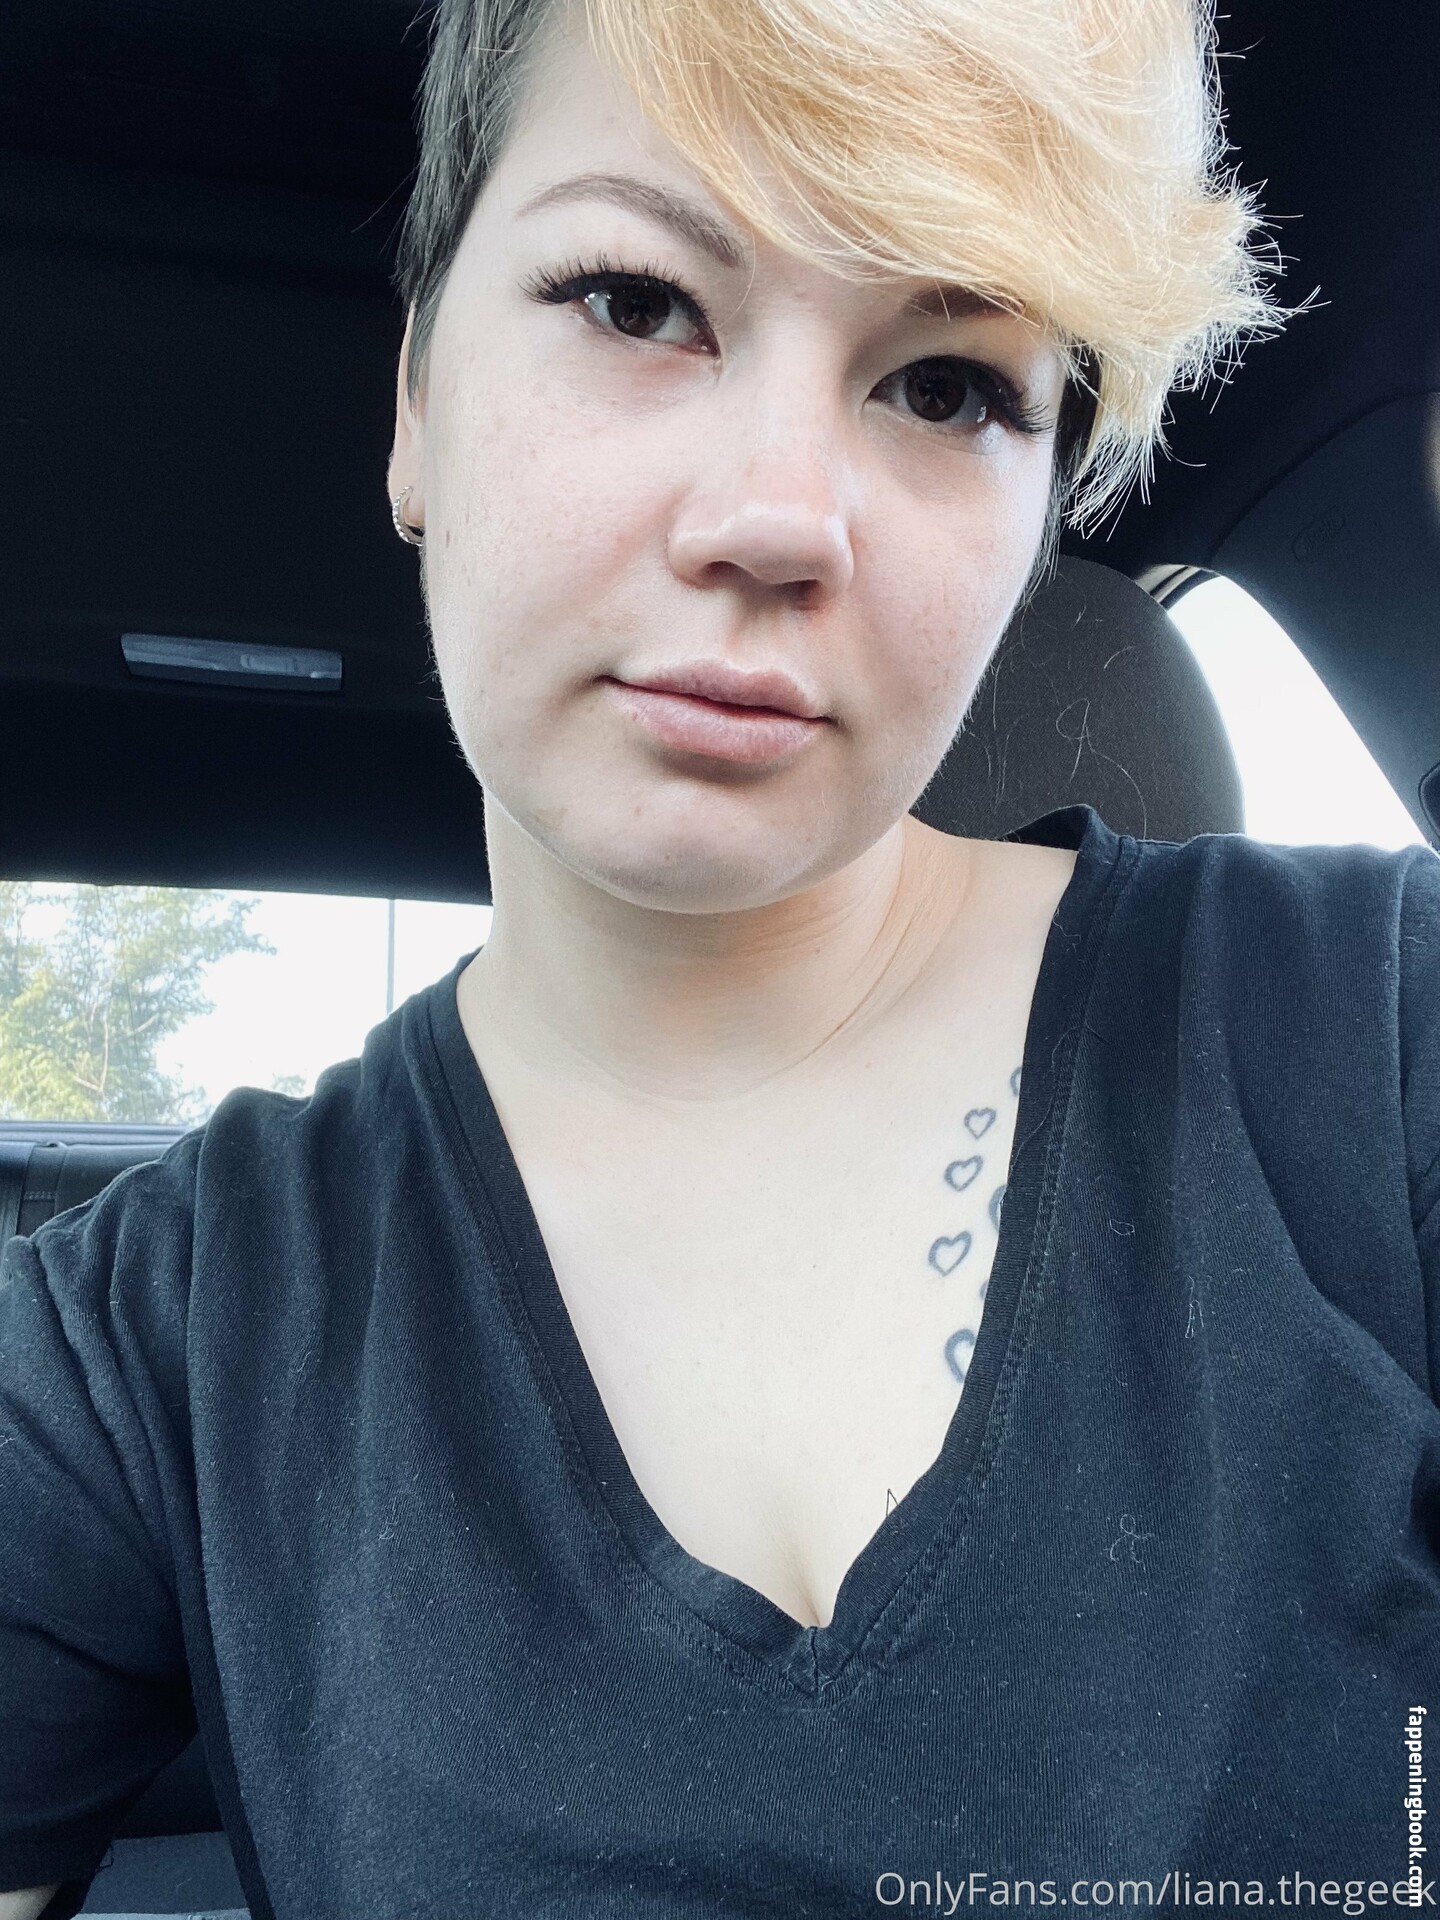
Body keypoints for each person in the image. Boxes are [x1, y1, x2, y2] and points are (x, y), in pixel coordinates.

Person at [1, 0, 1435, 1915]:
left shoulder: (1380, 1033)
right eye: (637, 300)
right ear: (416, 402)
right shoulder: (142, 1343)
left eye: (950, 386)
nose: (778, 518)